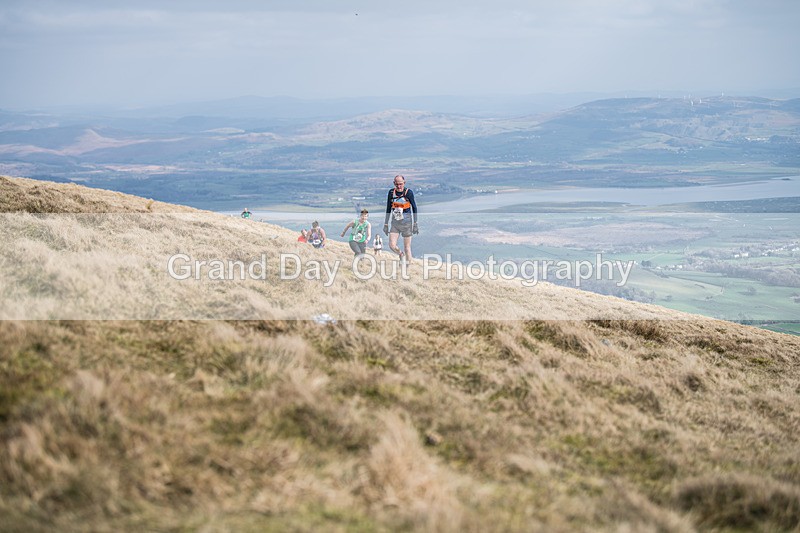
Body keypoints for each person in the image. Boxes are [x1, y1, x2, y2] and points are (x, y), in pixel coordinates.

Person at [383, 174, 418, 262]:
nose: (399, 186)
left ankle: (408, 268)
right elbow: (388, 208)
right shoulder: (391, 193)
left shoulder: (408, 193)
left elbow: (414, 208)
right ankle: (400, 254)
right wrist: (386, 224)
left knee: (407, 248)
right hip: (395, 223)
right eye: (397, 184)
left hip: (407, 223)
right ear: (394, 183)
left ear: (404, 183)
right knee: (392, 245)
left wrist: (415, 223)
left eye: (401, 184)